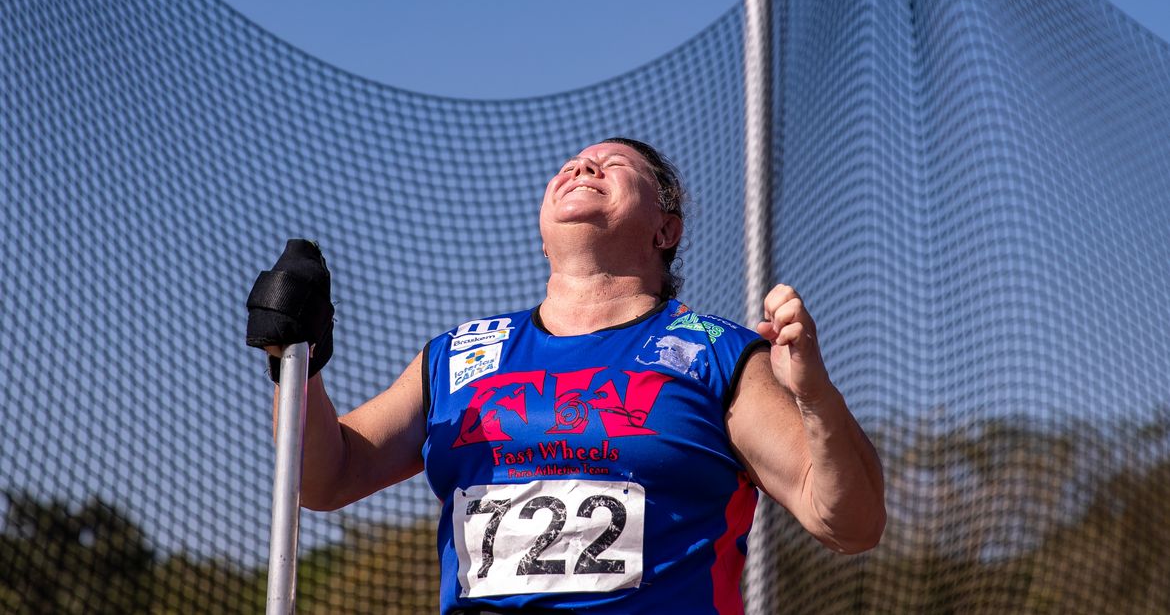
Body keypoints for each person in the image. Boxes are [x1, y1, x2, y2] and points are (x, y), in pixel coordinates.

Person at [247, 137, 885, 614]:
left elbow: (848, 522)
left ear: (666, 228)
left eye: (612, 165)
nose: (582, 168)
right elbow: (321, 478)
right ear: (542, 237)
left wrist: (815, 397)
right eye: (571, 166)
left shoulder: (720, 355)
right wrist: (293, 364)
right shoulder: (456, 355)